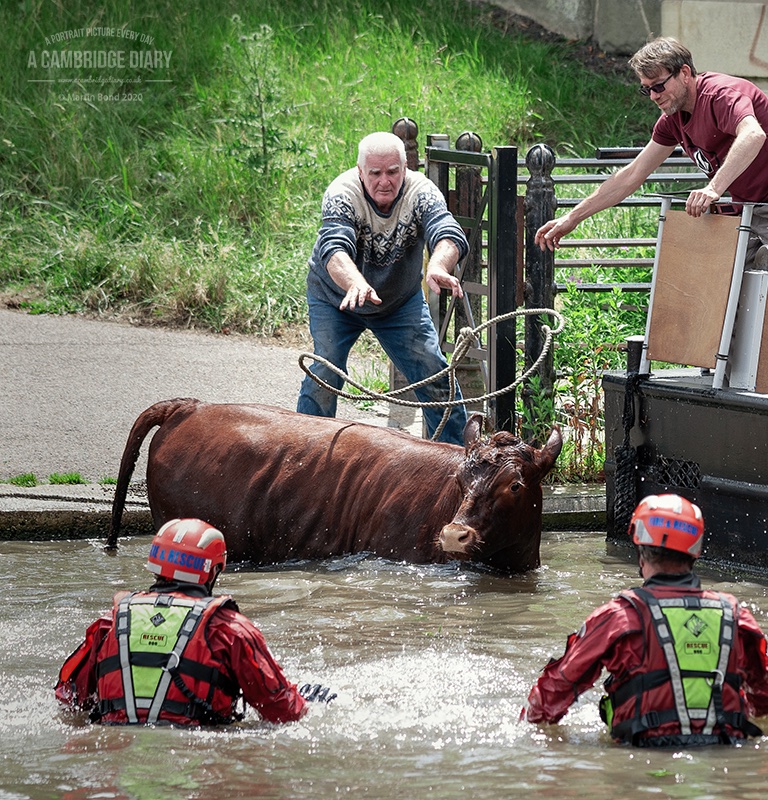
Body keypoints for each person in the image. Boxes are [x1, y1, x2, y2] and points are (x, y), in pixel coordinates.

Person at [534, 36, 768, 356]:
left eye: (658, 86)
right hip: (751, 211)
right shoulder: (672, 121)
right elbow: (632, 174)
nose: (652, 95)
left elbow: (753, 134)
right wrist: (572, 216)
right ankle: (742, 394)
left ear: (685, 73)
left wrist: (713, 189)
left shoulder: (722, 94)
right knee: (725, 299)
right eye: (645, 88)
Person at [522, 493, 768, 746]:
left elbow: (555, 690)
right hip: (725, 751)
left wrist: (528, 729)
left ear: (640, 549)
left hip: (643, 756)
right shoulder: (735, 616)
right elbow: (766, 699)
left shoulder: (618, 617)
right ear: (695, 550)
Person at [56, 518, 333, 725]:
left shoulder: (111, 623)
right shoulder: (231, 629)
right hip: (196, 756)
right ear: (212, 572)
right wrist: (307, 702)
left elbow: (69, 699)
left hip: (116, 756)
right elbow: (282, 711)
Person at [297, 130, 470, 444]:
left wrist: (438, 264)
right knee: (325, 369)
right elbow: (334, 249)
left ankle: (457, 458)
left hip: (398, 301)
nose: (384, 181)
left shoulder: (422, 190)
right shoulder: (341, 192)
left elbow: (446, 231)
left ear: (405, 169)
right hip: (336, 298)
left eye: (392, 172)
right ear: (361, 172)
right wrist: (355, 283)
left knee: (434, 372)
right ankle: (306, 453)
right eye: (375, 173)